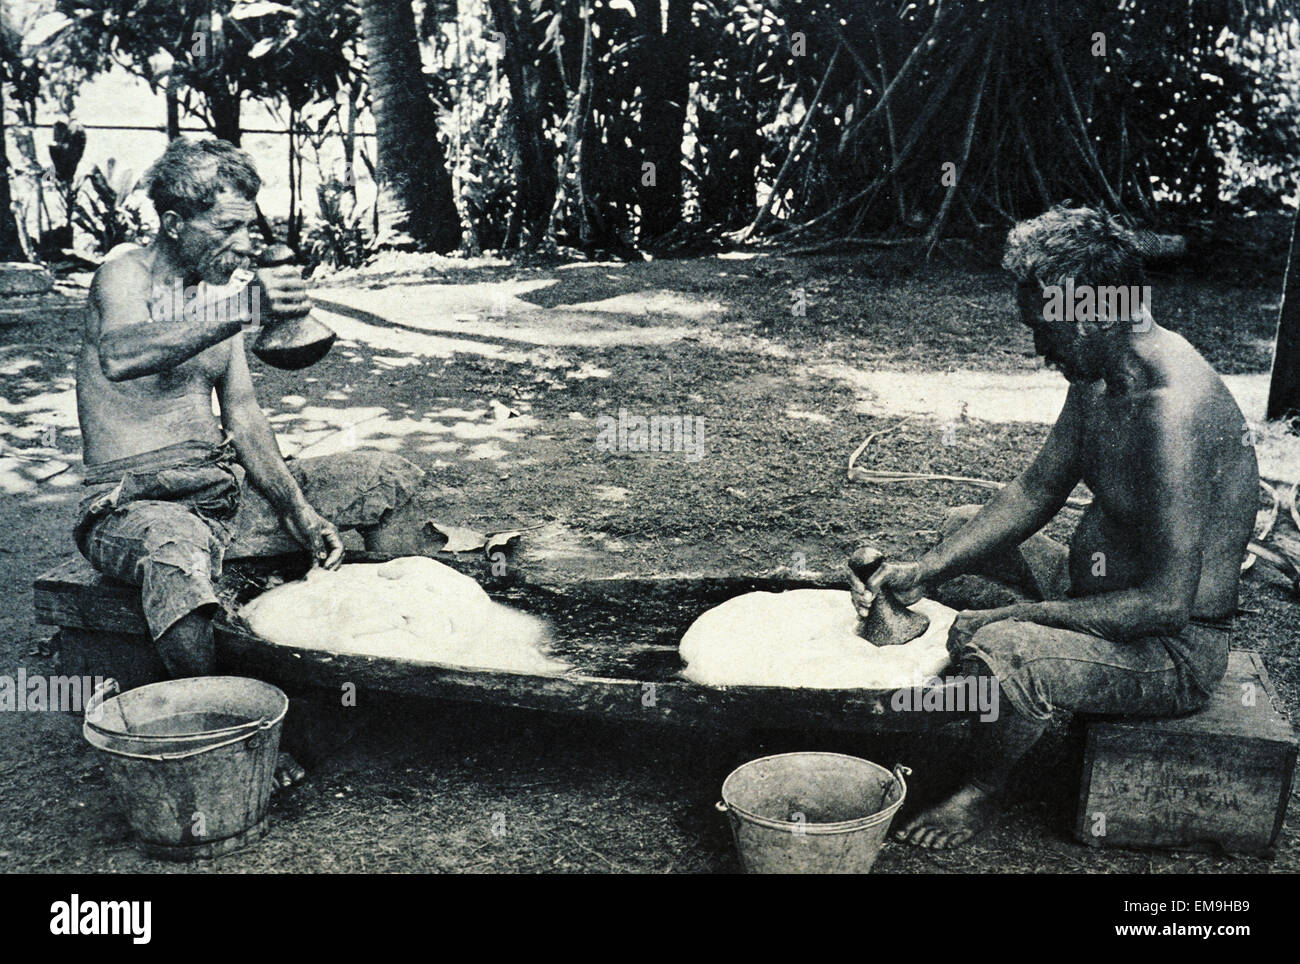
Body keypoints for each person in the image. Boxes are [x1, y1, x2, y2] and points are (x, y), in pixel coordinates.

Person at [849, 205, 1259, 848]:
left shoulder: (1171, 413)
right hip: (1093, 588)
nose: (1040, 348)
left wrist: (1027, 618)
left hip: (1171, 648)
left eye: (1046, 329)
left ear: (1091, 313)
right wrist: (928, 570)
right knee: (962, 529)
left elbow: (1167, 604)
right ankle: (1004, 663)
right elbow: (1037, 489)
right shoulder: (1101, 372)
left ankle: (983, 788)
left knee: (1007, 648)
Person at [74, 138, 433, 782]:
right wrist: (242, 307)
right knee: (175, 551)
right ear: (175, 223)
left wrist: (298, 511)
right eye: (227, 227)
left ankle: (406, 681)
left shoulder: (221, 304)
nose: (245, 245)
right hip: (136, 508)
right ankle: (234, 734)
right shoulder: (124, 272)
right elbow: (122, 354)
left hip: (223, 493)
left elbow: (243, 419)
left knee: (381, 475)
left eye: (249, 226)